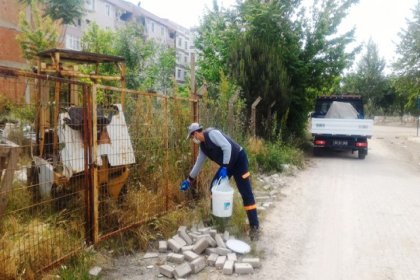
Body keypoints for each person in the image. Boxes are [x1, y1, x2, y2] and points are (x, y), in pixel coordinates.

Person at [180, 122, 260, 240]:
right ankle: (216, 219)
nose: (193, 139)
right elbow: (198, 163)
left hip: (238, 159)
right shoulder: (203, 147)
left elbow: (227, 147)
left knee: (246, 193)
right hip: (227, 165)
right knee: (214, 187)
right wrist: (189, 180)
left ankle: (255, 227)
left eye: (192, 137)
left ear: (196, 133)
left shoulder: (212, 134)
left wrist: (224, 167)